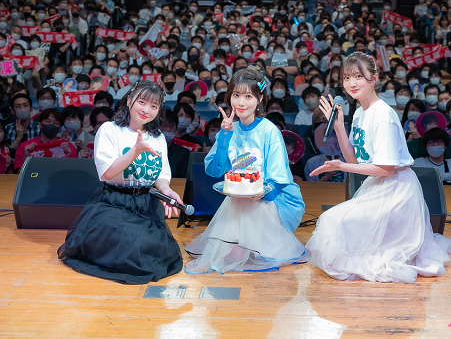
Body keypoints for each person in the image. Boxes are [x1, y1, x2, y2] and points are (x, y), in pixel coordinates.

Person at [305, 52, 451, 283]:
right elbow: (356, 161)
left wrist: (342, 165)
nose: (352, 83)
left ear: (374, 79)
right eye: (347, 78)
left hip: (397, 190)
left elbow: (386, 168)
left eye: (358, 76)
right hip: (378, 186)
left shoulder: (382, 115)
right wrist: (338, 127)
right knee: (335, 226)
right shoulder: (360, 113)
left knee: (333, 223)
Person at [58, 80, 184, 284]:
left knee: (158, 255)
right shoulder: (110, 130)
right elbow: (107, 173)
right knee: (132, 245)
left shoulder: (158, 137)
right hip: (114, 202)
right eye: (142, 102)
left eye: (154, 106)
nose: (146, 110)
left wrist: (166, 190)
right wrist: (135, 150)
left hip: (146, 204)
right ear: (129, 101)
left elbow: (161, 173)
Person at [184, 67, 307, 274]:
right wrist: (224, 136)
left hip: (276, 199)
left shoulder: (269, 130)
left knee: (238, 245)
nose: (241, 102)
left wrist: (259, 194)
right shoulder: (228, 129)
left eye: (248, 96)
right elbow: (214, 170)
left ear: (260, 99)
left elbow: (278, 179)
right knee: (234, 239)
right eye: (236, 95)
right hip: (242, 198)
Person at [14, 109, 78, 172]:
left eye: (56, 123)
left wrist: (68, 158)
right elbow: (19, 174)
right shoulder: (25, 147)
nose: (51, 125)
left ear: (59, 128)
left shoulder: (69, 147)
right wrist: (26, 157)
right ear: (40, 124)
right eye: (48, 121)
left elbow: (73, 173)